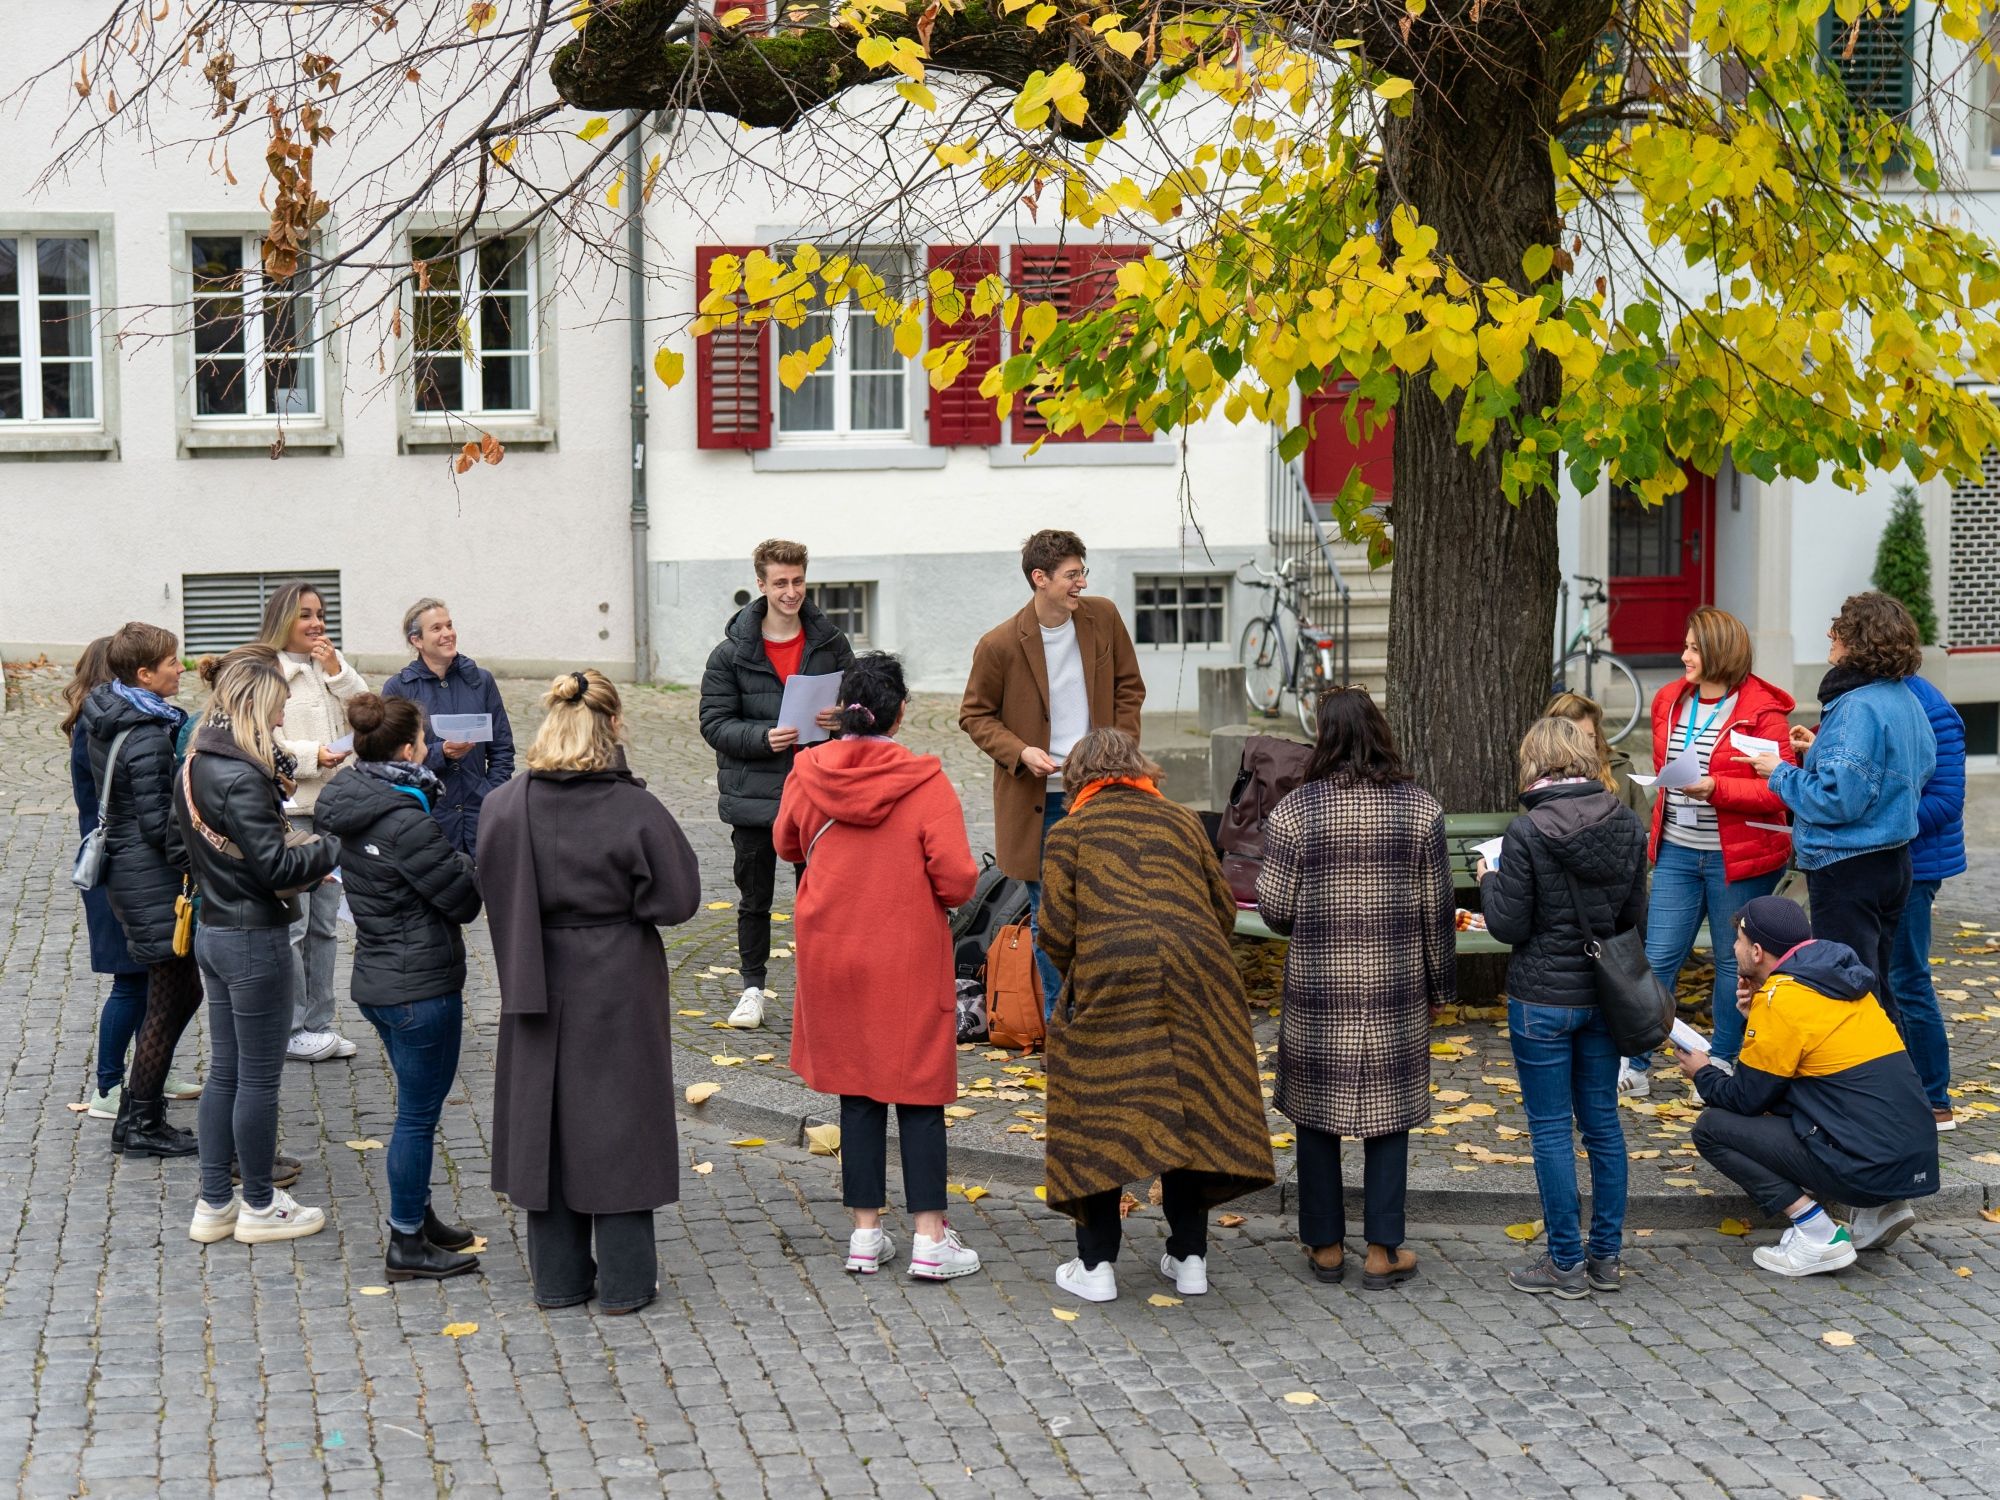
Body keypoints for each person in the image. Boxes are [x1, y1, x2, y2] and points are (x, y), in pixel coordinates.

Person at [483, 671, 701, 1314]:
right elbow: (678, 897)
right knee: (621, 1119)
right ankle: (628, 1280)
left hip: (536, 969)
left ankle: (557, 1278)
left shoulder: (505, 803)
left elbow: (490, 879)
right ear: (612, 727)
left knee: (544, 1120)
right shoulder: (633, 807)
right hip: (616, 974)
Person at [1037, 728, 1274, 1302]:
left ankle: (1095, 1268)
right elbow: (1222, 909)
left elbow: (1055, 932)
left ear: (1078, 780)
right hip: (1200, 975)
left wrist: (1089, 971)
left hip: (1113, 972)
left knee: (1098, 1109)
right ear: (1142, 770)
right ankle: (1189, 1258)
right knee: (1189, 1108)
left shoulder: (1069, 833)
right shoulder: (1184, 821)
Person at [773, 653, 982, 1280]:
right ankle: (928, 1238)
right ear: (900, 714)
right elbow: (957, 878)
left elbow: (786, 841)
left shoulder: (806, 771)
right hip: (905, 951)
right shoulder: (926, 781)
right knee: (917, 1086)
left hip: (831, 946)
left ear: (841, 713)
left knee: (857, 1087)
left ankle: (865, 1235)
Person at [1256, 689, 1454, 1289]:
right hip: (1395, 984)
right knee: (1388, 1117)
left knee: (1317, 1114)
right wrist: (1441, 985)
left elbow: (1274, 907)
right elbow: (1436, 910)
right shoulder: (1420, 810)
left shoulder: (1296, 812)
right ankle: (1382, 1249)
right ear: (1379, 733)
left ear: (1325, 740)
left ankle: (1324, 1245)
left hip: (1319, 984)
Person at [314, 693, 485, 1282]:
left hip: (379, 979)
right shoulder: (405, 819)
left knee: (417, 1109)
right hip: (419, 985)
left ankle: (421, 1216)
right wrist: (467, 864)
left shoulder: (350, 799)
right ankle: (407, 1244)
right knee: (416, 1115)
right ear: (410, 748)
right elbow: (462, 901)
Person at [1479, 715, 1649, 1298]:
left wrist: (1489, 876)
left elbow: (1506, 925)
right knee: (1602, 1125)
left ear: (1536, 761)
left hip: (1542, 999)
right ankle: (1605, 1257)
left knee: (1551, 1131)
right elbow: (1634, 918)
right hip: (1605, 995)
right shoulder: (1627, 823)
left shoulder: (1525, 832)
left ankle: (1563, 1263)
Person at [1680, 895, 1939, 1277]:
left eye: (1735, 941)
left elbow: (1744, 1100)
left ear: (1755, 951)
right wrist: (1757, 1019)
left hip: (1867, 1167)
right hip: (1912, 1158)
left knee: (1712, 1129)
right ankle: (1882, 1210)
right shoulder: (1841, 982)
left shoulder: (1781, 1000)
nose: (1731, 949)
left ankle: (1817, 1234)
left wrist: (1703, 1072)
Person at [179, 655, 342, 1244]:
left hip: (214, 931)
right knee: (257, 1080)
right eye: (275, 708)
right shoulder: (241, 776)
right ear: (253, 705)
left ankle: (213, 1203)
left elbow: (189, 849)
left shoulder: (195, 763)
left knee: (225, 1072)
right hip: (253, 938)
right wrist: (328, 849)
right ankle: (258, 1204)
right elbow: (274, 866)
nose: (279, 718)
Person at [960, 530, 1145, 1014]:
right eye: (1071, 574)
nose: (1081, 582)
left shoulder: (1102, 617)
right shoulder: (999, 644)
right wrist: (1020, 752)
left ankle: (1104, 1020)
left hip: (1101, 790)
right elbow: (974, 715)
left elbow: (1129, 687)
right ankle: (1061, 1025)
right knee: (1049, 918)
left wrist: (1118, 750)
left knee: (1108, 909)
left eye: (1083, 571)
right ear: (1039, 579)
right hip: (1038, 802)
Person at [1616, 608, 1798, 1097]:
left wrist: (1715, 787)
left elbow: (1780, 792)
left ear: (1720, 649)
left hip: (1736, 858)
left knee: (1732, 961)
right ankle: (1634, 1063)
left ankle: (1719, 1063)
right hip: (1676, 849)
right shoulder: (1668, 700)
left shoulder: (1762, 711)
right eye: (1685, 645)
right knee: (1657, 959)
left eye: (1694, 647)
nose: (1684, 656)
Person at [1748, 593, 1935, 1034]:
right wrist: (1819, 754)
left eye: (1840, 629)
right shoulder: (1901, 697)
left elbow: (1837, 800)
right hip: (1892, 861)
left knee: (1850, 991)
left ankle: (1865, 1095)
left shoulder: (1858, 706)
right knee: (1878, 988)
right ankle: (1891, 1093)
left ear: (1859, 641)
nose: (1830, 635)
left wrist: (1779, 773)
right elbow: (1916, 765)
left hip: (1847, 865)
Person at [698, 540, 855, 1031]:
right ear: (761, 585)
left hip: (819, 790)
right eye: (781, 583)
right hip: (756, 793)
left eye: (798, 582)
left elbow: (862, 709)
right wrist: (762, 737)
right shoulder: (730, 654)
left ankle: (823, 987)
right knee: (755, 896)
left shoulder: (830, 644)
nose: (791, 592)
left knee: (821, 895)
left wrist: (842, 717)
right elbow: (713, 723)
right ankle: (751, 988)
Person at [79, 621, 202, 1159]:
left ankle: (136, 1115)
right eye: (172, 662)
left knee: (175, 994)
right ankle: (140, 1122)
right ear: (145, 674)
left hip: (132, 876)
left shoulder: (113, 712)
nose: (182, 668)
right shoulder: (149, 734)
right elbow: (160, 826)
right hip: (150, 881)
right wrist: (201, 863)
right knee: (170, 998)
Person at [62, 638, 179, 1122]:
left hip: (125, 865)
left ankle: (151, 1070)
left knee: (152, 983)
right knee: (129, 982)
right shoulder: (101, 732)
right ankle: (109, 1085)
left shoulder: (112, 724)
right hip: (118, 868)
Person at [262, 579, 368, 1063]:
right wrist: (311, 756)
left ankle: (320, 1022)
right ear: (284, 619)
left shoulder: (330, 668)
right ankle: (291, 1026)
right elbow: (263, 739)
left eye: (320, 613)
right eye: (305, 614)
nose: (316, 623)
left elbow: (367, 714)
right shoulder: (268, 672)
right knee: (296, 927)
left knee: (326, 925)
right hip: (292, 813)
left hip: (335, 811)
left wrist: (338, 672)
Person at [1888, 670, 1965, 1131]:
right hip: (1882, 859)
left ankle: (1936, 1100)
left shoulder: (1929, 708)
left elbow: (1947, 800)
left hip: (1916, 866)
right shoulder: (1867, 697)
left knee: (1907, 979)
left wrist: (1877, 816)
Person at [381, 597, 515, 859]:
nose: (448, 634)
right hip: (429, 818)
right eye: (437, 628)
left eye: (449, 625)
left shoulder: (481, 680)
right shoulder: (398, 689)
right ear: (416, 640)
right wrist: (440, 753)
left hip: (479, 814)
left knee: (478, 894)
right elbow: (390, 760)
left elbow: (502, 749)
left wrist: (491, 795)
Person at [1544, 691, 1648, 817]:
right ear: (1556, 740)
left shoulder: (1621, 770)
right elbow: (1528, 833)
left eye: (1590, 736)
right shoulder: (1542, 776)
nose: (1584, 745)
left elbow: (1645, 829)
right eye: (1575, 738)